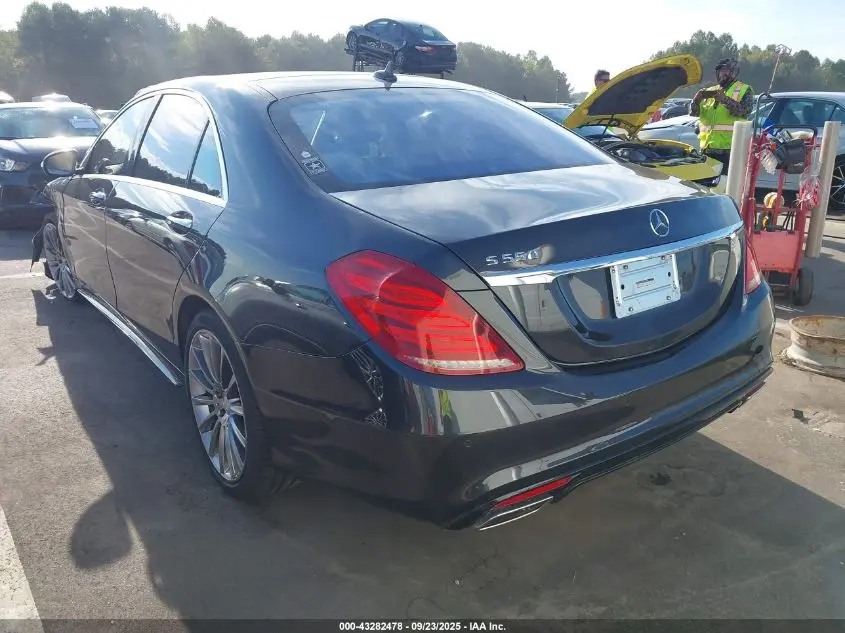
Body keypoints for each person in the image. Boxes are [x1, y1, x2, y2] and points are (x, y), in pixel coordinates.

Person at [690, 58, 754, 172]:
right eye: (720, 71)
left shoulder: (744, 90)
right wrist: (695, 101)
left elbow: (744, 111)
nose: (722, 74)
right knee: (705, 185)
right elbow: (694, 113)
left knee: (724, 185)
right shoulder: (710, 90)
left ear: (733, 72)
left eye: (725, 71)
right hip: (707, 150)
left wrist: (724, 100)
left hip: (730, 151)